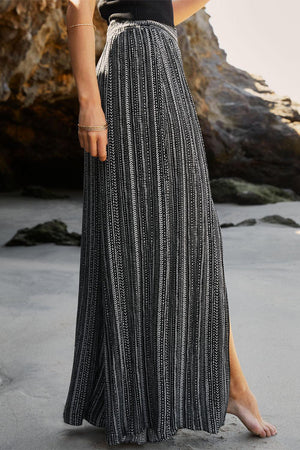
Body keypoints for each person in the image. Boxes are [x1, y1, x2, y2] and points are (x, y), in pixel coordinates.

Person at [63, 0, 277, 446]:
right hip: (133, 66)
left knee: (187, 233)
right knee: (139, 233)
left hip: (162, 59)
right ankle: (185, 391)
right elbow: (76, 6)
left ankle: (222, 387)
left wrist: (151, 17)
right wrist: (88, 101)